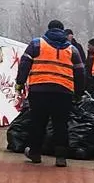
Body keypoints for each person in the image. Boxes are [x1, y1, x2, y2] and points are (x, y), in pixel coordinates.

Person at [15, 20, 81, 166]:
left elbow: (25, 64)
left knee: (38, 122)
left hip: (39, 91)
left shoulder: (36, 44)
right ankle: (61, 157)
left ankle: (35, 153)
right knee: (61, 124)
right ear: (63, 31)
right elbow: (80, 71)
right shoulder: (72, 49)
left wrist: (20, 82)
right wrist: (79, 93)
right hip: (64, 92)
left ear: (49, 29)